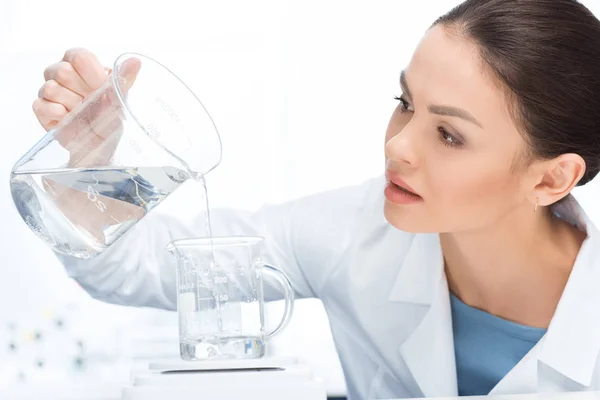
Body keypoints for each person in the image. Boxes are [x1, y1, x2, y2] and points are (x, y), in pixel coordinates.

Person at [30, 0, 600, 398]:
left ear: (551, 180)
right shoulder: (352, 232)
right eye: (404, 102)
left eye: (449, 135)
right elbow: (134, 268)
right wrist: (91, 164)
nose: (398, 146)